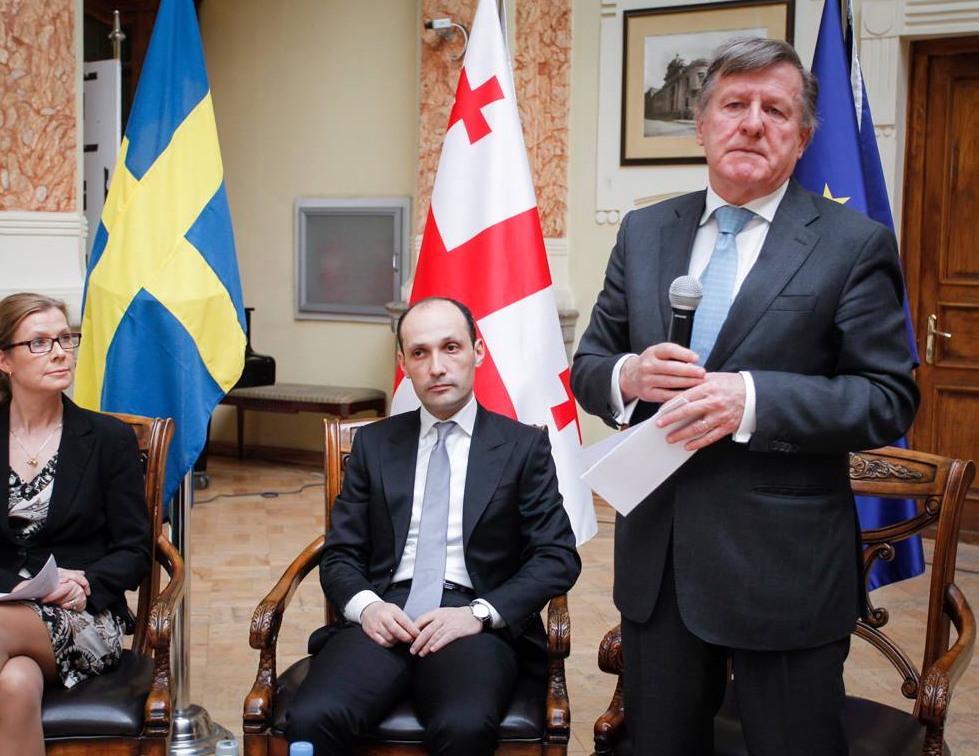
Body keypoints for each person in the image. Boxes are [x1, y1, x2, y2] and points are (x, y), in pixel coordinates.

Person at [571, 38, 919, 756]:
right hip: (661, 568)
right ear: (702, 126)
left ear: (803, 137)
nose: (753, 123)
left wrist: (753, 401)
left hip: (786, 570)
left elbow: (887, 397)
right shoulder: (644, 232)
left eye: (776, 110)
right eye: (734, 105)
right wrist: (628, 376)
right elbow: (590, 366)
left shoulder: (852, 244)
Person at [286, 296, 581, 756]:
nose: (437, 367)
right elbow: (341, 553)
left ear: (477, 352)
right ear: (403, 364)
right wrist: (367, 607)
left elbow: (557, 556)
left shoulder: (522, 448)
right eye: (420, 353)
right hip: (386, 612)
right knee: (312, 716)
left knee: (463, 724)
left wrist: (479, 614)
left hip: (474, 618)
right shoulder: (374, 444)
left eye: (451, 347)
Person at [0, 292, 150, 756]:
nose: (61, 352)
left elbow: (135, 549)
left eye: (66, 338)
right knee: (15, 680)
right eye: (40, 343)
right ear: (2, 359)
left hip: (81, 619)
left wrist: (86, 584)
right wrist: (20, 589)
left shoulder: (107, 439)